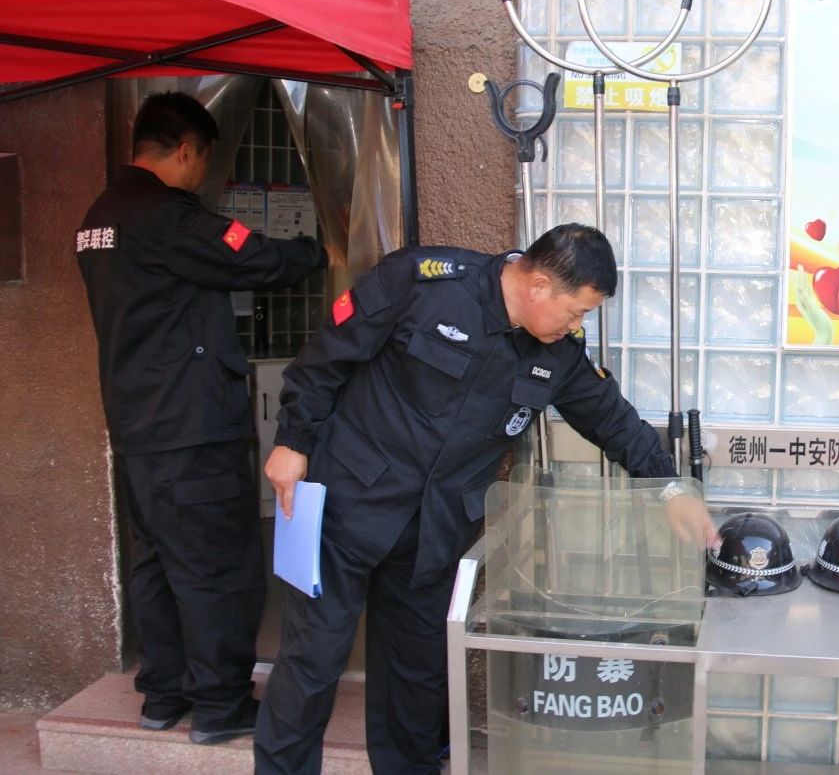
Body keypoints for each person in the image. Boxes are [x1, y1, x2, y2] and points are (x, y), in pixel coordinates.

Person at [254, 223, 716, 773]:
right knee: (311, 662)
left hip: (435, 531)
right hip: (347, 504)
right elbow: (326, 355)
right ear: (539, 286)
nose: (577, 325)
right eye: (577, 311)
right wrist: (293, 441)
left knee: (415, 678)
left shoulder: (558, 355)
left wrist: (670, 486)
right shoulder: (423, 283)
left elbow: (614, 420)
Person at [75, 91, 328, 745]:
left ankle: (165, 693)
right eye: (205, 160)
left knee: (157, 562)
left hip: (137, 425)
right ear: (187, 151)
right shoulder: (168, 217)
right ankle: (220, 704)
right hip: (191, 424)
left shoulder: (99, 215)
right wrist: (320, 248)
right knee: (215, 565)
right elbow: (253, 256)